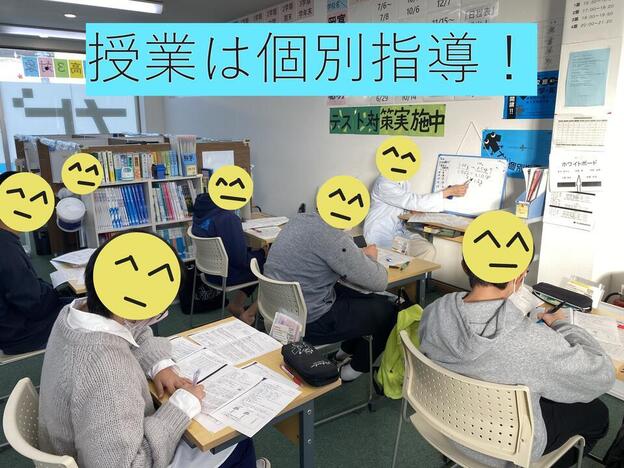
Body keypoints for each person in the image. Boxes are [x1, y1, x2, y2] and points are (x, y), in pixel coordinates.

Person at [38, 239, 268, 468]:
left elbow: (135, 331)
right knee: (235, 441)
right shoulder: (109, 373)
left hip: (85, 441)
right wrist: (181, 406)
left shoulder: (76, 313)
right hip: (113, 457)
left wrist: (160, 366)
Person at [418, 259, 615, 467]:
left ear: (465, 265)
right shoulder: (532, 342)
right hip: (508, 452)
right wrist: (561, 324)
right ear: (519, 277)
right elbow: (603, 375)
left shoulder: (436, 309)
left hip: (447, 423)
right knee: (598, 414)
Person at [264, 212, 396, 382]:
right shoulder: (333, 238)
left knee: (364, 297)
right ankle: (350, 372)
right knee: (390, 312)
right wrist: (370, 257)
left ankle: (343, 353)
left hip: (279, 312)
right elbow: (379, 282)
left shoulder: (299, 219)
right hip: (308, 323)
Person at [0, 170, 71, 355]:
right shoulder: (5, 245)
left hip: (13, 323)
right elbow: (34, 304)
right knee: (93, 311)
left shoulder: (7, 239)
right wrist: (58, 294)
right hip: (20, 334)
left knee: (77, 302)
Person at [192, 192, 265, 324]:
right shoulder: (228, 218)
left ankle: (237, 304)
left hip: (209, 272)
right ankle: (249, 314)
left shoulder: (201, 210)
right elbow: (240, 261)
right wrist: (261, 254)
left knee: (257, 257)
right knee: (269, 265)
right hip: (226, 275)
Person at [363, 175, 468, 259]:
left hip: (398, 233)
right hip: (379, 234)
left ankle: (412, 278)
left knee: (427, 249)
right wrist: (449, 192)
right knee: (389, 261)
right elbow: (412, 201)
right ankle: (400, 277)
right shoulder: (383, 183)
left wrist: (411, 209)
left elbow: (406, 202)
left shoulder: (404, 181)